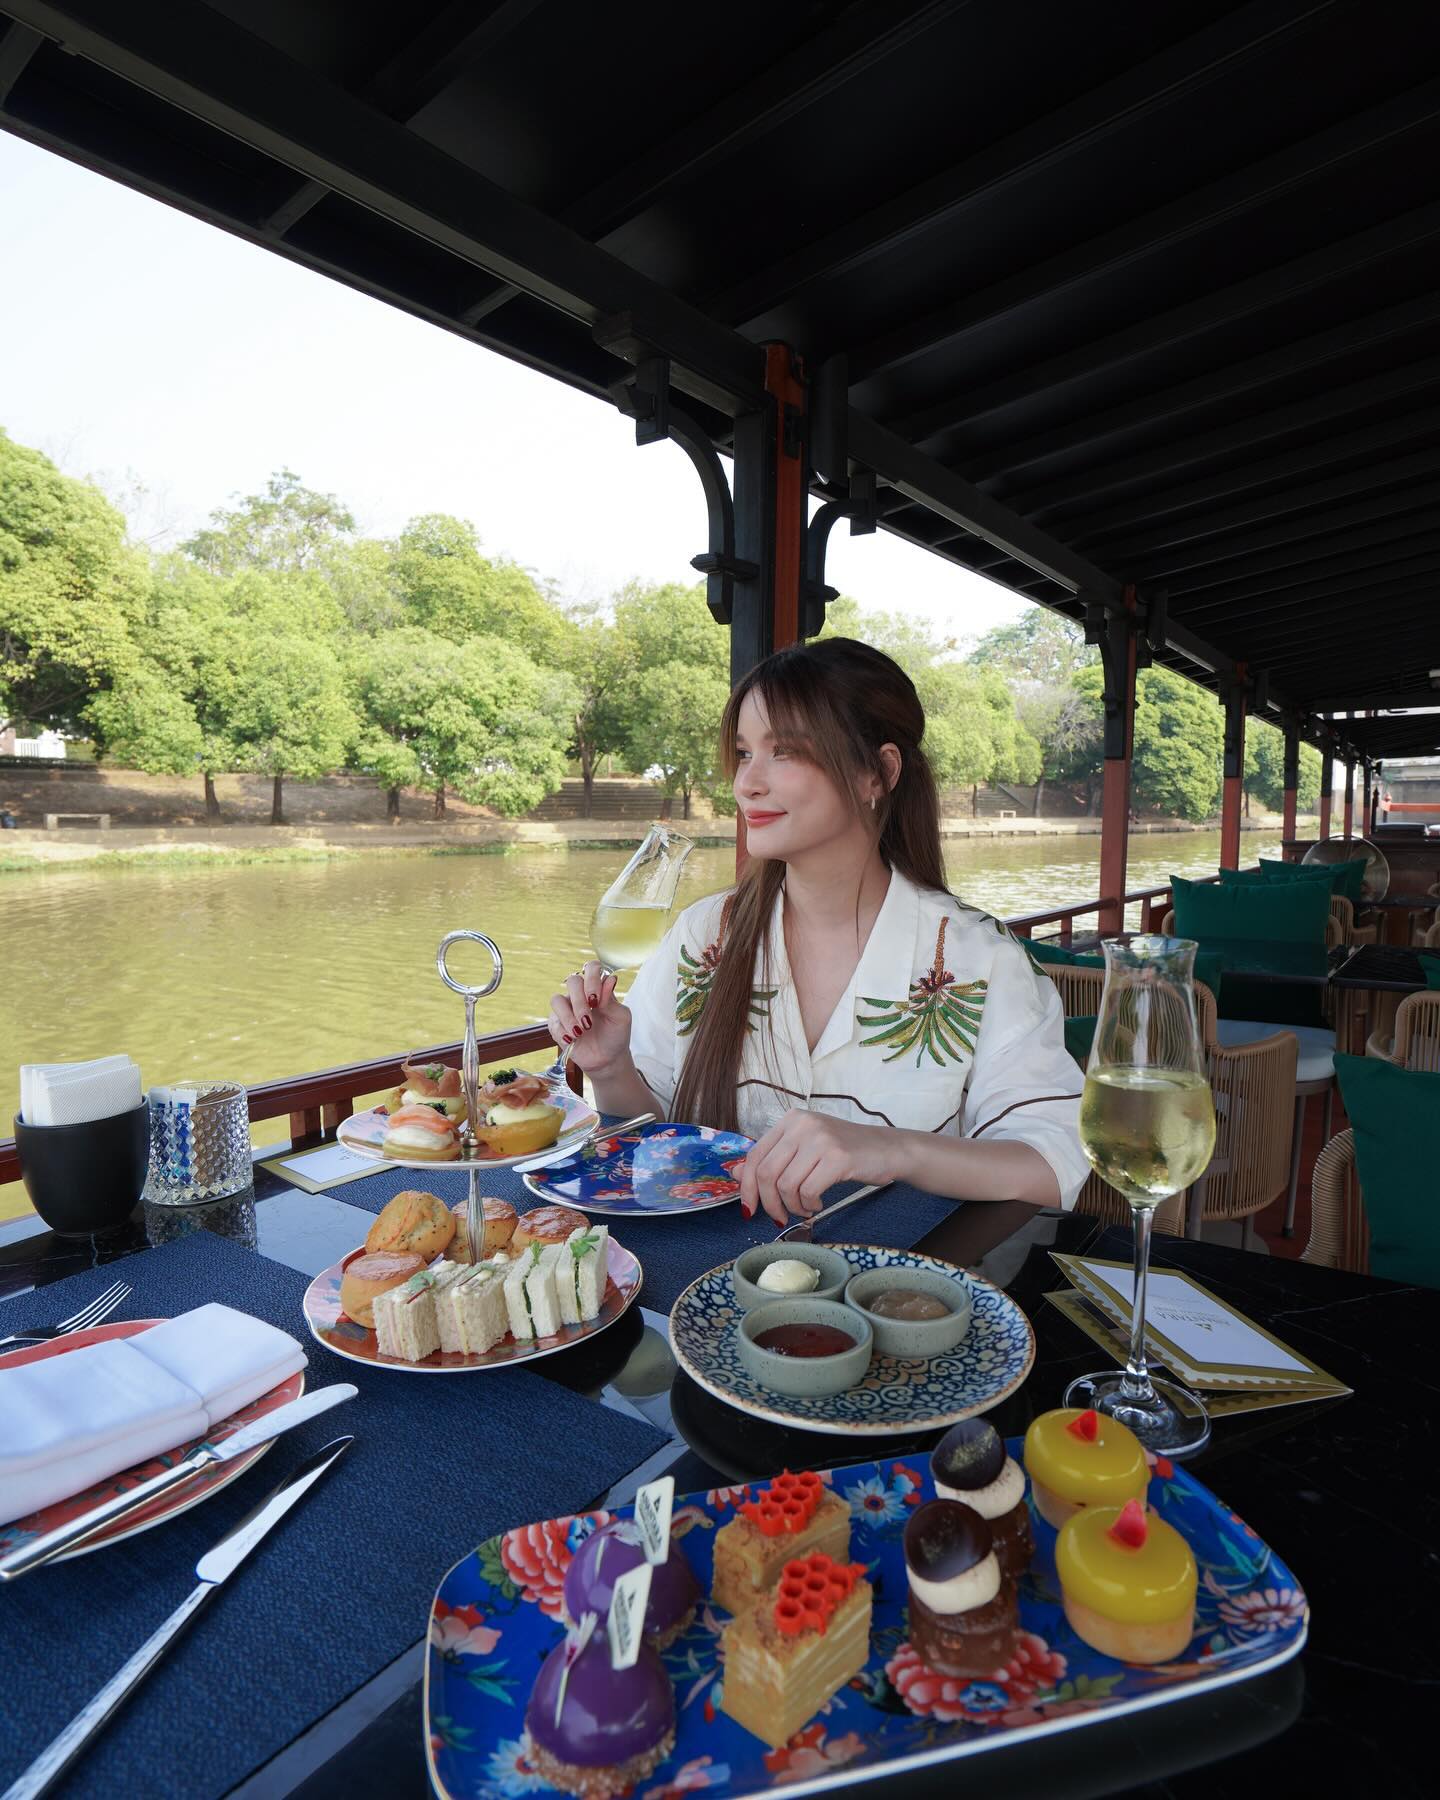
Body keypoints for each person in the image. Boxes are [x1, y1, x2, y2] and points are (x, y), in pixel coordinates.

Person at [547, 638, 1087, 1227]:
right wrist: (609, 1068)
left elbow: (1053, 1164)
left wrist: (889, 1150)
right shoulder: (705, 936)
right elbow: (647, 1141)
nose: (746, 783)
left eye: (784, 752)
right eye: (745, 752)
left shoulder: (978, 959)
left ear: (877, 773)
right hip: (705, 1291)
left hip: (894, 1293)